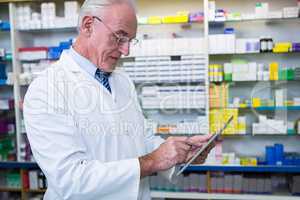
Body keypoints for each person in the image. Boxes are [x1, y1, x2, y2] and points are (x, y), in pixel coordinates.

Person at [23, 0, 214, 199]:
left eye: (131, 40)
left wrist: (179, 153)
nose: (126, 50)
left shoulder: (122, 80)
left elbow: (142, 139)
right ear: (88, 25)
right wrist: (153, 161)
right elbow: (71, 179)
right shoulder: (46, 89)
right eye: (119, 37)